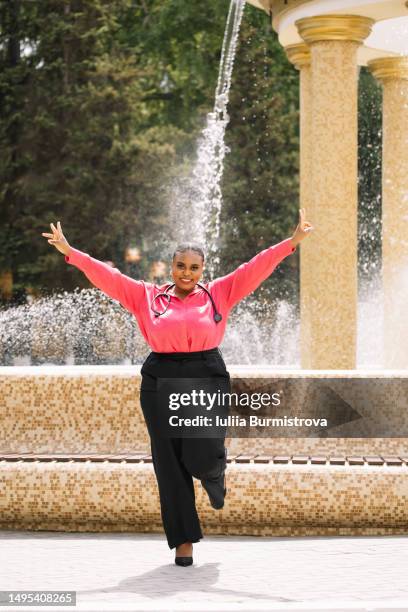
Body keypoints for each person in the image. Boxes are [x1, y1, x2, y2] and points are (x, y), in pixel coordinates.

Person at [41, 209, 313, 566]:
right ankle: (184, 541)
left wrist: (291, 243)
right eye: (180, 266)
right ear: (172, 267)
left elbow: (254, 267)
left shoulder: (218, 293)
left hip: (206, 372)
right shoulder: (146, 297)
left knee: (201, 451)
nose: (187, 273)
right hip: (160, 376)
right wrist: (70, 251)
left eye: (194, 267)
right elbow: (107, 276)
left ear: (203, 270)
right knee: (168, 462)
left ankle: (213, 471)